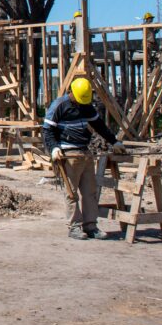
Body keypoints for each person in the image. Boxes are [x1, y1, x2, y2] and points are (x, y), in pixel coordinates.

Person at [42, 77, 127, 240]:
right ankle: (74, 227)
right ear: (71, 92)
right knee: (71, 193)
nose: (80, 103)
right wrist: (53, 148)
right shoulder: (60, 105)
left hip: (84, 153)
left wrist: (114, 141)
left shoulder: (86, 106)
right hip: (68, 155)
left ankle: (91, 226)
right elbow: (47, 130)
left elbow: (99, 125)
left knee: (89, 192)